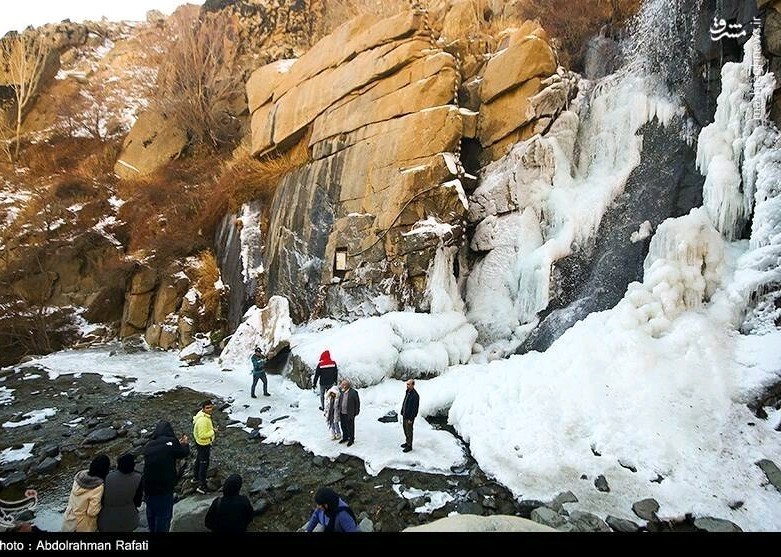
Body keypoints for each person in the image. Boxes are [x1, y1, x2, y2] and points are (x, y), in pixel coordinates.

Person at [143, 420, 190, 533]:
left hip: (148, 487)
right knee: (163, 516)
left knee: (151, 513)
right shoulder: (171, 442)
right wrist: (185, 443)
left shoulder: (149, 444)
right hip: (164, 487)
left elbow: (165, 450)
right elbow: (183, 453)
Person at [61, 454, 110, 532]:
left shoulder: (78, 478)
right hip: (83, 525)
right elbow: (92, 512)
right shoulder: (98, 486)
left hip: (69, 519)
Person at [97, 453, 143, 532]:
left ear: (119, 465)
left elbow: (101, 499)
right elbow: (138, 502)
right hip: (128, 520)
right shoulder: (138, 478)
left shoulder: (108, 477)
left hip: (106, 520)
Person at [193, 400, 216, 494]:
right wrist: (213, 432)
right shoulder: (203, 420)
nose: (210, 409)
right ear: (203, 408)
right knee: (204, 464)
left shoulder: (202, 415)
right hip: (204, 444)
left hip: (199, 443)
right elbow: (202, 434)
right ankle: (202, 486)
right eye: (207, 408)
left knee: (199, 459)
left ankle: (195, 477)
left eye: (211, 407)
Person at [337, 379, 360, 447]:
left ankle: (351, 439)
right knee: (343, 426)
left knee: (350, 427)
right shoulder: (341, 391)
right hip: (342, 412)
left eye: (342, 385)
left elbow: (357, 403)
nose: (341, 386)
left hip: (350, 413)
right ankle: (345, 437)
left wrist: (356, 411)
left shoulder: (353, 392)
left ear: (346, 386)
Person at [400, 379, 420, 453]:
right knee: (405, 429)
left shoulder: (415, 395)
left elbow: (415, 409)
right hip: (405, 414)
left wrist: (411, 419)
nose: (407, 386)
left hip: (409, 417)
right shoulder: (408, 392)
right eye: (407, 384)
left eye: (409, 384)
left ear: (413, 385)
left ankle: (409, 445)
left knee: (409, 431)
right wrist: (402, 410)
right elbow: (405, 402)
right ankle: (407, 442)